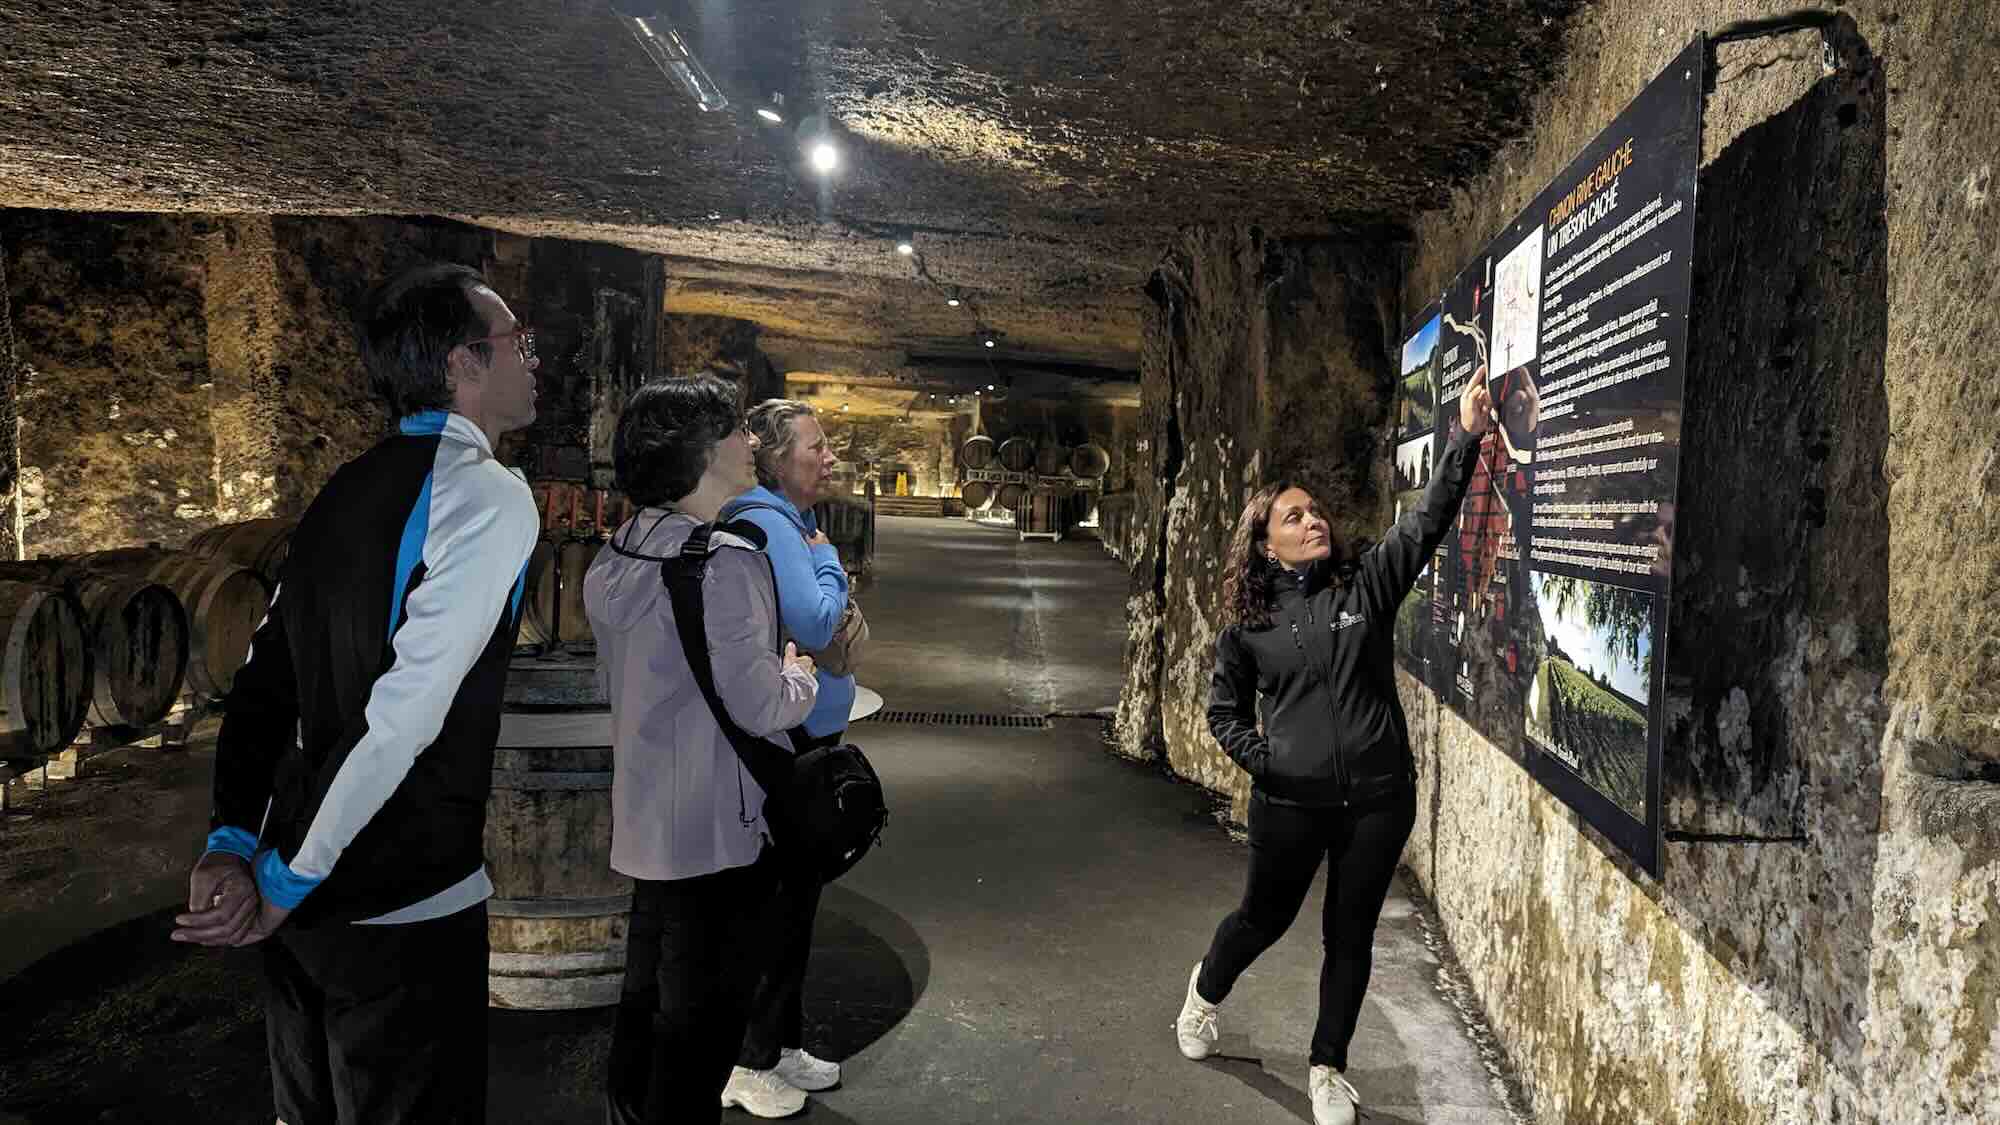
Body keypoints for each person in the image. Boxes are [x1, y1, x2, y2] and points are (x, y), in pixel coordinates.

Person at [169, 262, 543, 1124]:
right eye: (517, 341)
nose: (534, 358)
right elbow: (399, 722)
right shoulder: (488, 495)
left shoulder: (342, 489)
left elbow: (263, 680)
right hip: (403, 901)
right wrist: (282, 879)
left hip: (304, 912)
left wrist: (233, 840)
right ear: (464, 363)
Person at [1175, 374, 1492, 1125]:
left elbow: (1424, 524)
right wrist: (1271, 762)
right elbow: (1224, 713)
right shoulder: (1248, 626)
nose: (1313, 520)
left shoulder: (1365, 585)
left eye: (1316, 511)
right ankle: (1204, 994)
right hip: (1291, 802)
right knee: (1262, 919)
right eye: (1294, 516)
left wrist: (1466, 436)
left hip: (1378, 800)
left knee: (1349, 935)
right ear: (1265, 542)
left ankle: (1328, 1066)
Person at [585, 375, 820, 1125]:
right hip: (717, 826)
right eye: (733, 432)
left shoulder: (615, 554)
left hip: (647, 818)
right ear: (699, 453)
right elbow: (759, 705)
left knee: (647, 1012)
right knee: (702, 1027)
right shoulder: (725, 561)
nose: (749, 443)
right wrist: (800, 677)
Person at [718, 398, 851, 1116]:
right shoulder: (772, 523)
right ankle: (748, 1059)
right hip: (787, 738)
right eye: (815, 446)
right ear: (774, 458)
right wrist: (829, 560)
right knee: (778, 902)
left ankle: (782, 1040)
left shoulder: (788, 520)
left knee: (798, 897)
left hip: (802, 729)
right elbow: (815, 621)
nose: (829, 457)